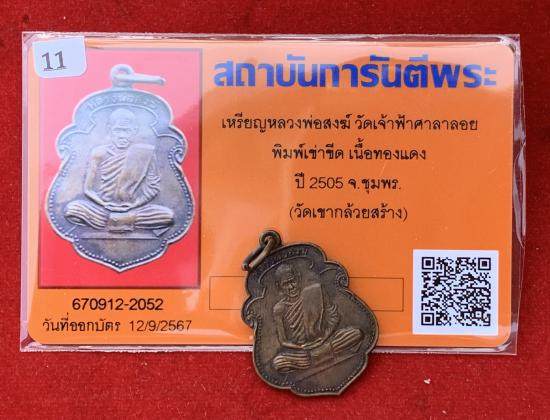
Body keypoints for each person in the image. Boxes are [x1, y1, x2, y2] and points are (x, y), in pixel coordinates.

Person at [64, 107, 174, 233]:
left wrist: (133, 205)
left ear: (134, 131)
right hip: (103, 209)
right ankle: (122, 220)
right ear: (109, 130)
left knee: (168, 216)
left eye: (127, 131)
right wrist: (104, 204)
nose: (122, 136)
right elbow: (88, 190)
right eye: (118, 130)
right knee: (72, 209)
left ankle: (114, 221)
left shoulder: (145, 152)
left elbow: (153, 188)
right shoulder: (98, 153)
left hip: (133, 208)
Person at [271, 263, 363, 373]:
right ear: (279, 286)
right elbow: (283, 341)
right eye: (286, 284)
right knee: (278, 362)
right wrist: (302, 347)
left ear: (298, 278)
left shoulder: (316, 291)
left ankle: (315, 358)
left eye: (292, 281)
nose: (291, 287)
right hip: (304, 352)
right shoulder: (279, 309)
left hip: (326, 341)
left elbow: (333, 317)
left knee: (357, 333)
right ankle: (316, 357)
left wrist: (324, 338)